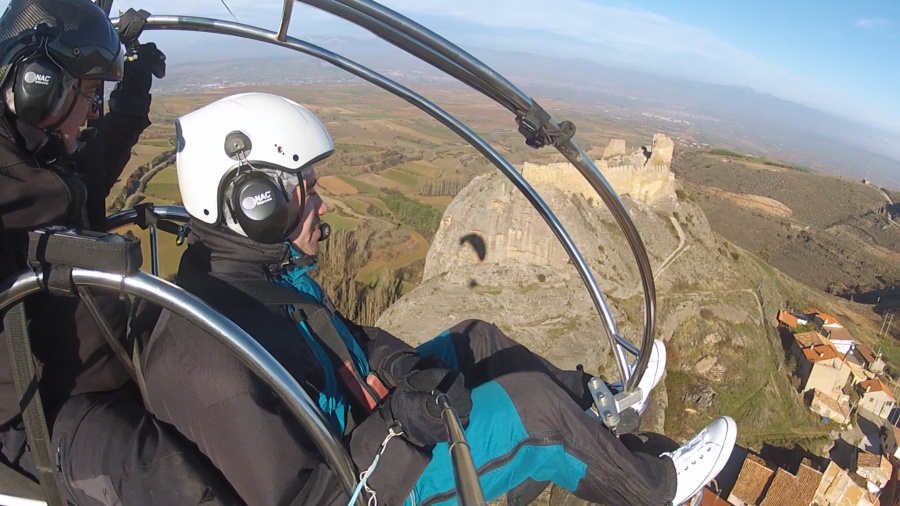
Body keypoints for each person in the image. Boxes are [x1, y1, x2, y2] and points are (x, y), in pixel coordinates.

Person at [142, 92, 737, 506]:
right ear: (256, 202)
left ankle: (598, 404)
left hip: (364, 429)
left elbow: (346, 339)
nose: (320, 205)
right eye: (305, 190)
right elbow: (312, 498)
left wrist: (404, 366)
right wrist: (400, 428)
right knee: (532, 412)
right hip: (374, 483)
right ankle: (655, 488)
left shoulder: (255, 273)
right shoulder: (210, 359)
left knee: (475, 339)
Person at [0, 1, 239, 504]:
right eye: (86, 94)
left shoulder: (40, 161)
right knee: (183, 489)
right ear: (37, 89)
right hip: (41, 411)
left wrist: (131, 85)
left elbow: (97, 164)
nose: (92, 111)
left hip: (111, 364)